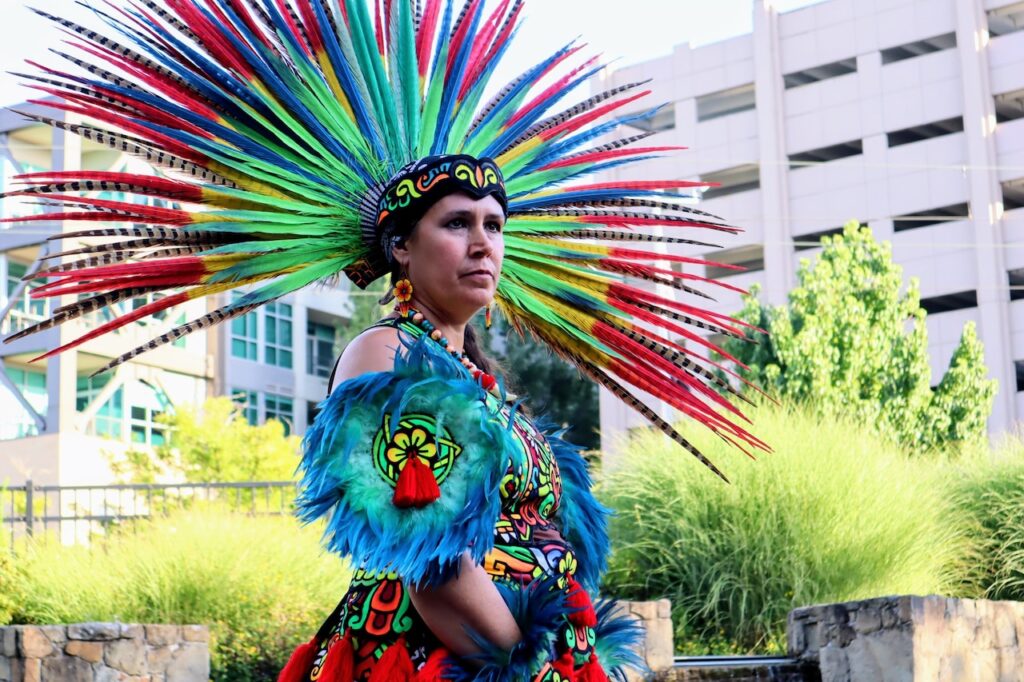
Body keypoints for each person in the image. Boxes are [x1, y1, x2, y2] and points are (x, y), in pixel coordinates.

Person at [4, 1, 768, 680]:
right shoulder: (384, 354)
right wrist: (527, 658)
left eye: (494, 226)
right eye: (456, 223)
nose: (482, 244)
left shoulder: (485, 383)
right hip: (429, 655)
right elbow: (432, 567)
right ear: (401, 247)